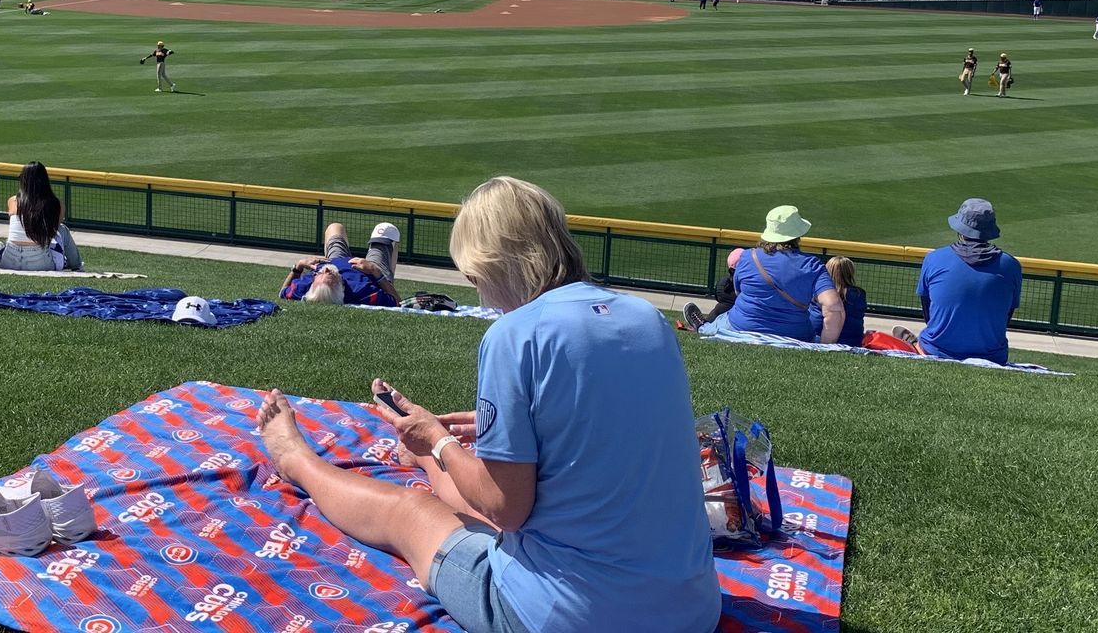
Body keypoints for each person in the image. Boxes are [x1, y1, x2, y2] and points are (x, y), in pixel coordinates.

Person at [254, 177, 720, 633]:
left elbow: (505, 509)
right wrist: (517, 426)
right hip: (691, 609)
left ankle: (298, 461)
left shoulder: (515, 334)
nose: (478, 291)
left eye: (474, 276)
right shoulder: (645, 318)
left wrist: (437, 441)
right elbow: (619, 421)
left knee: (411, 513)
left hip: (570, 615)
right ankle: (425, 459)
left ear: (492, 264)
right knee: (479, 480)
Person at [698, 205, 844, 343]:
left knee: (717, 323)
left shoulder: (747, 257)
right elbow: (833, 308)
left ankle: (701, 326)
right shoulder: (813, 265)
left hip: (741, 326)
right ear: (798, 235)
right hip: (795, 333)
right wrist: (826, 344)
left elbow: (739, 292)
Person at [901, 199, 1022, 365]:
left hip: (936, 349)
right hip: (993, 356)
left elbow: (928, 313)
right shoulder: (1011, 265)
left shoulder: (934, 258)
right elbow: (1006, 316)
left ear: (960, 229)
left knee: (925, 337)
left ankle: (913, 344)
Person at [0, 161, 84, 271]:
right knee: (63, 230)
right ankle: (77, 266)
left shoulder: (12, 201)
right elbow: (53, 231)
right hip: (40, 262)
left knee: (0, 245)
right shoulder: (56, 204)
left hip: (9, 261)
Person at [279, 222, 401, 306]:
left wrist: (298, 267)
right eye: (331, 275)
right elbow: (397, 302)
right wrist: (376, 271)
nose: (325, 270)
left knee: (334, 227)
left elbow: (283, 292)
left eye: (318, 274)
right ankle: (389, 271)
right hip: (370, 271)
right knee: (387, 229)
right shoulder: (363, 292)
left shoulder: (305, 288)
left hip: (335, 259)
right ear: (341, 287)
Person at [681, 247, 742, 331]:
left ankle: (703, 325)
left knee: (722, 308)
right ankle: (703, 325)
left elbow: (718, 298)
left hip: (732, 315)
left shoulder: (723, 284)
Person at [826, 256, 868, 347]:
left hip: (821, 339)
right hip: (853, 342)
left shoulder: (820, 293)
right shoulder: (859, 294)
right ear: (850, 272)